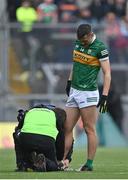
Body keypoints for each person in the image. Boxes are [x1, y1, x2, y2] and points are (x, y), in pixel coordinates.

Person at [63, 24, 111, 171]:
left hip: (88, 93)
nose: (82, 43)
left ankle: (89, 164)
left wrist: (105, 96)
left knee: (89, 128)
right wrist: (69, 81)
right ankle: (63, 161)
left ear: (90, 35)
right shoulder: (78, 42)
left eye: (84, 40)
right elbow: (75, 64)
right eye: (80, 41)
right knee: (66, 127)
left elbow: (107, 73)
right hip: (75, 91)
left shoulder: (100, 48)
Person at [13, 104, 73, 172]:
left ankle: (22, 165)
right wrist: (60, 158)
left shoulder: (30, 111)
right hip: (46, 141)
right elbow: (61, 140)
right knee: (54, 166)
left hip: (27, 139)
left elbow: (18, 128)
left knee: (16, 134)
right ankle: (44, 161)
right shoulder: (54, 115)